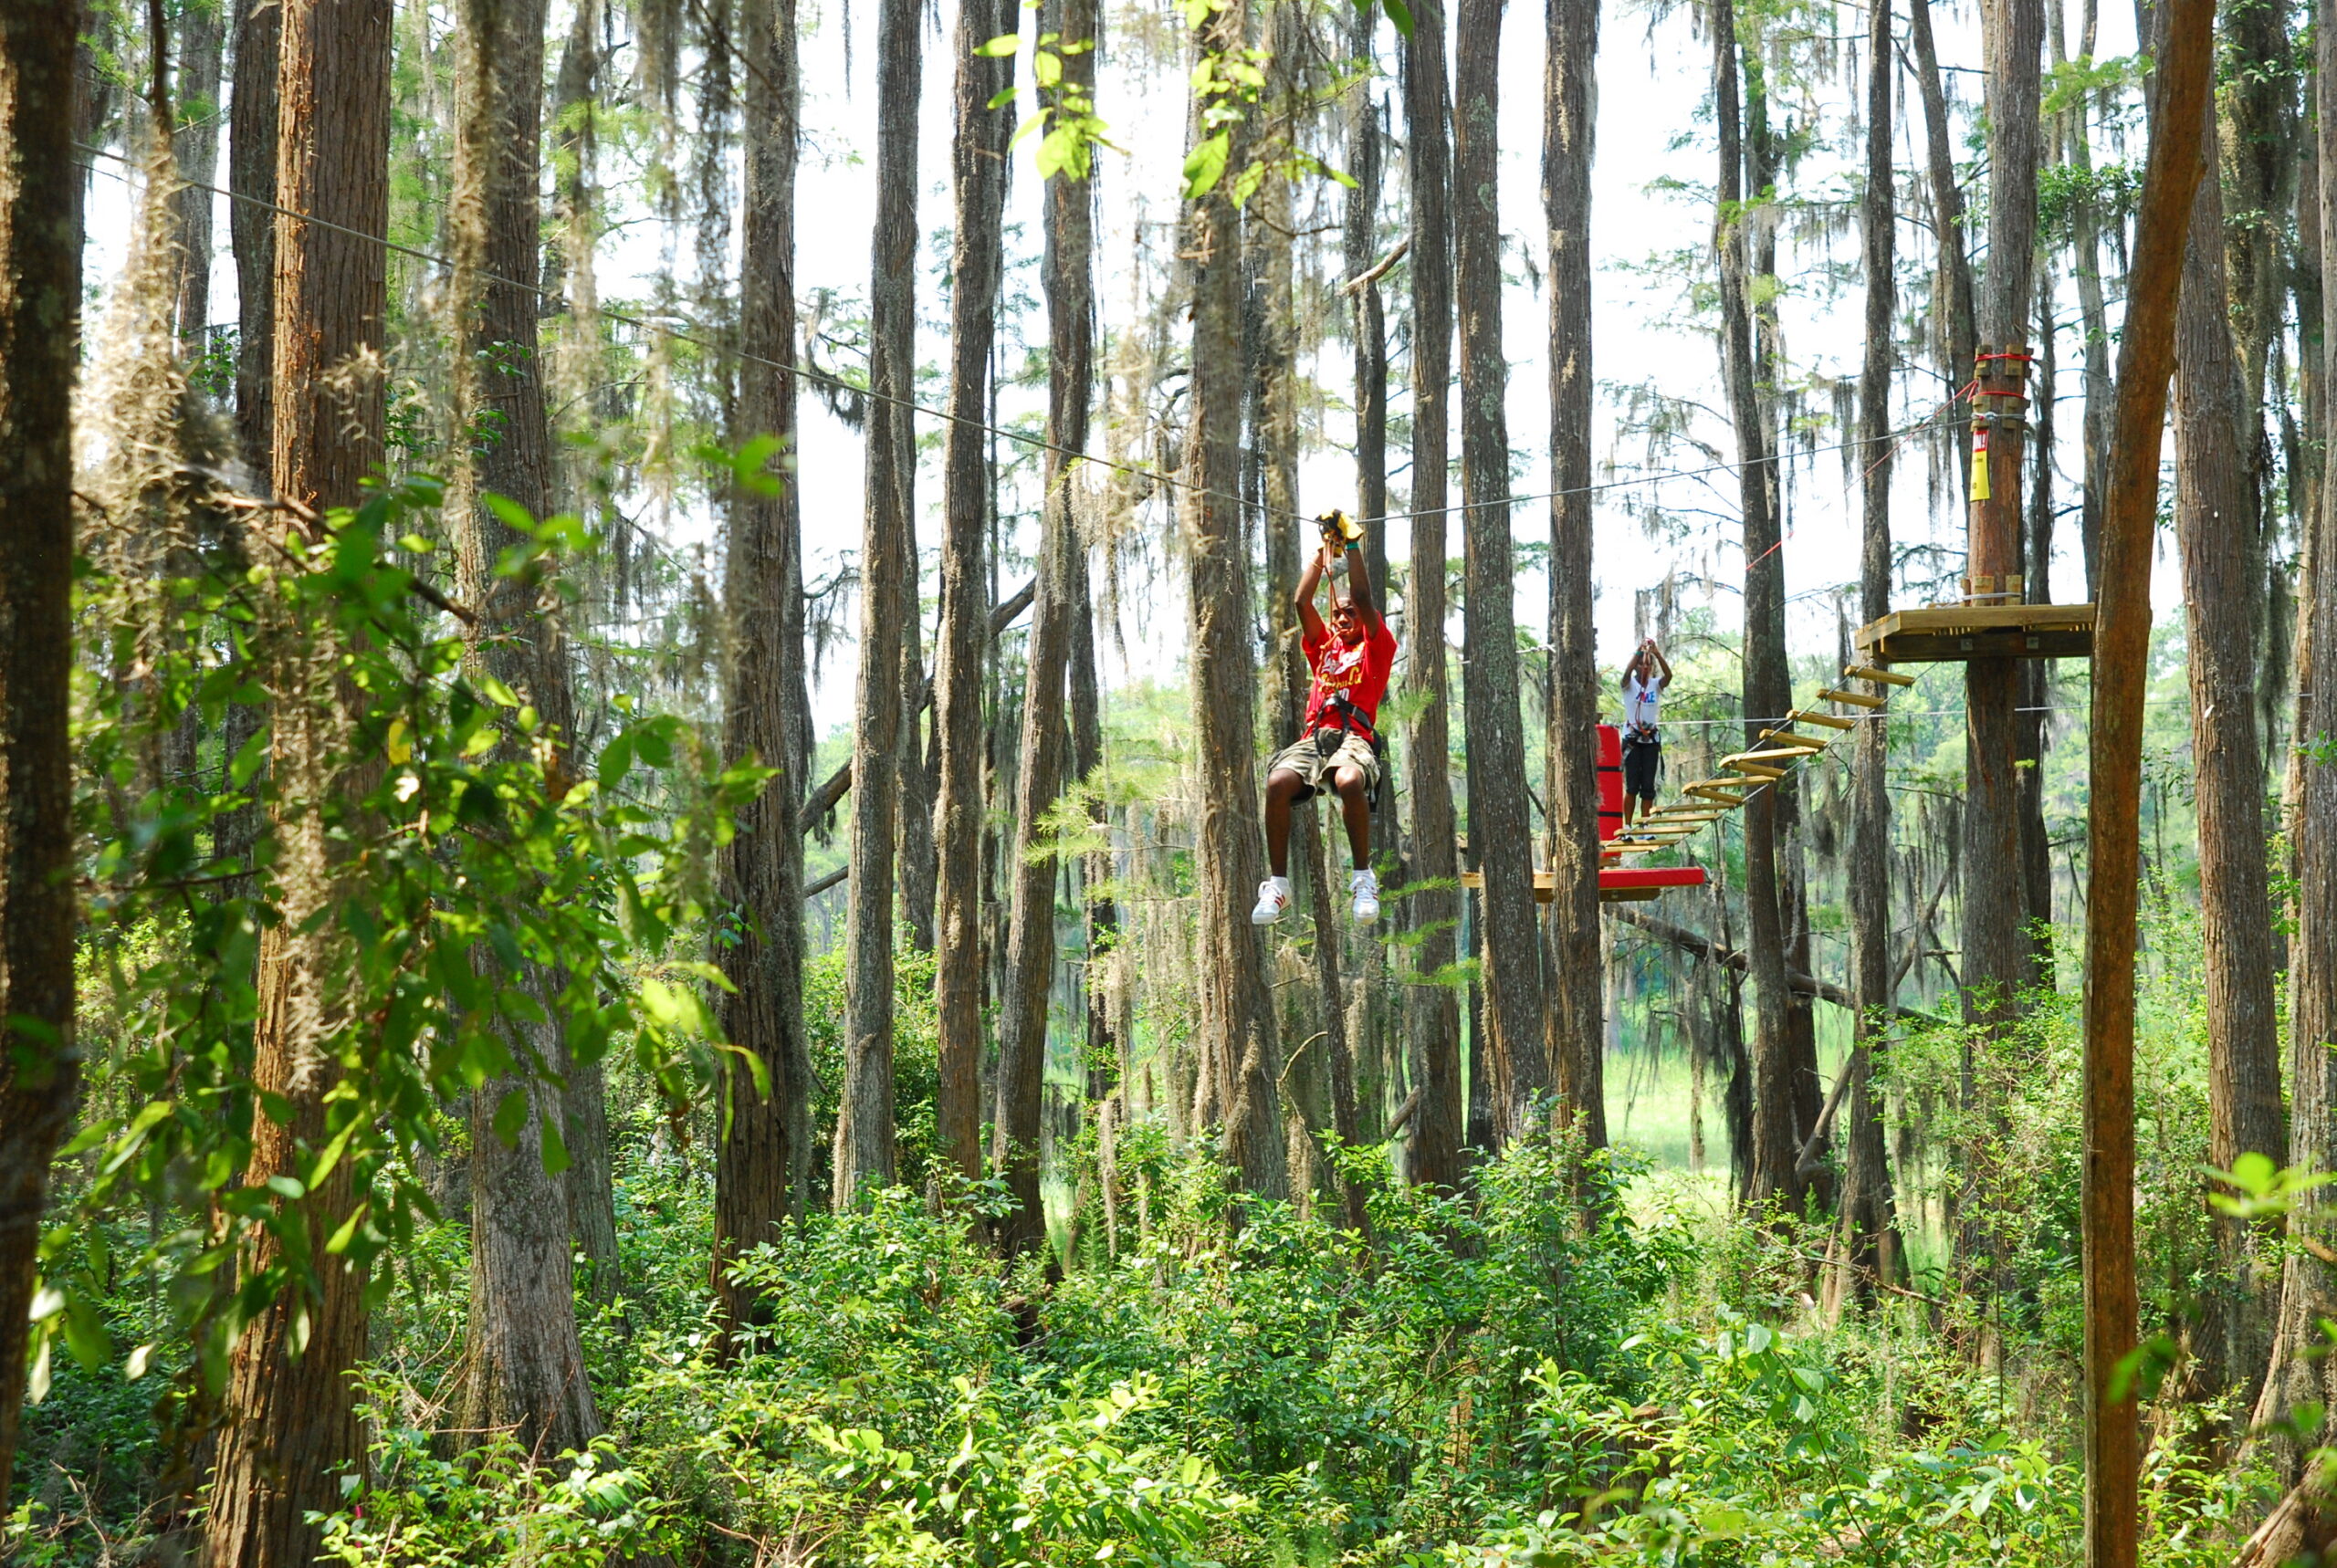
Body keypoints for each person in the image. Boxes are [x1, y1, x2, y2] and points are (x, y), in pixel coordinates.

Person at [1252, 510, 1397, 926]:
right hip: (1317, 736)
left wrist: (1351, 546)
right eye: (1338, 615)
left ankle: (1362, 878)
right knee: (1277, 783)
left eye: (1349, 614)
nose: (1342, 618)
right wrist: (1322, 552)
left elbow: (1365, 600)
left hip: (1354, 737)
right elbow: (1302, 601)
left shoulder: (1376, 647)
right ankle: (1277, 884)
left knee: (1349, 780)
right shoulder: (1324, 649)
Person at [1619, 638, 1672, 827]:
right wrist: (1639, 652)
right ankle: (1628, 825)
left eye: (1648, 666)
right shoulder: (1628, 684)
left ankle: (1645, 824)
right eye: (1641, 665)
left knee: (1648, 787)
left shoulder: (1655, 685)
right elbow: (1626, 673)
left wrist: (1656, 653)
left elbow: (1669, 676)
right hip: (1632, 739)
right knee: (1632, 786)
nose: (1645, 668)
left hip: (1650, 740)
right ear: (1637, 667)